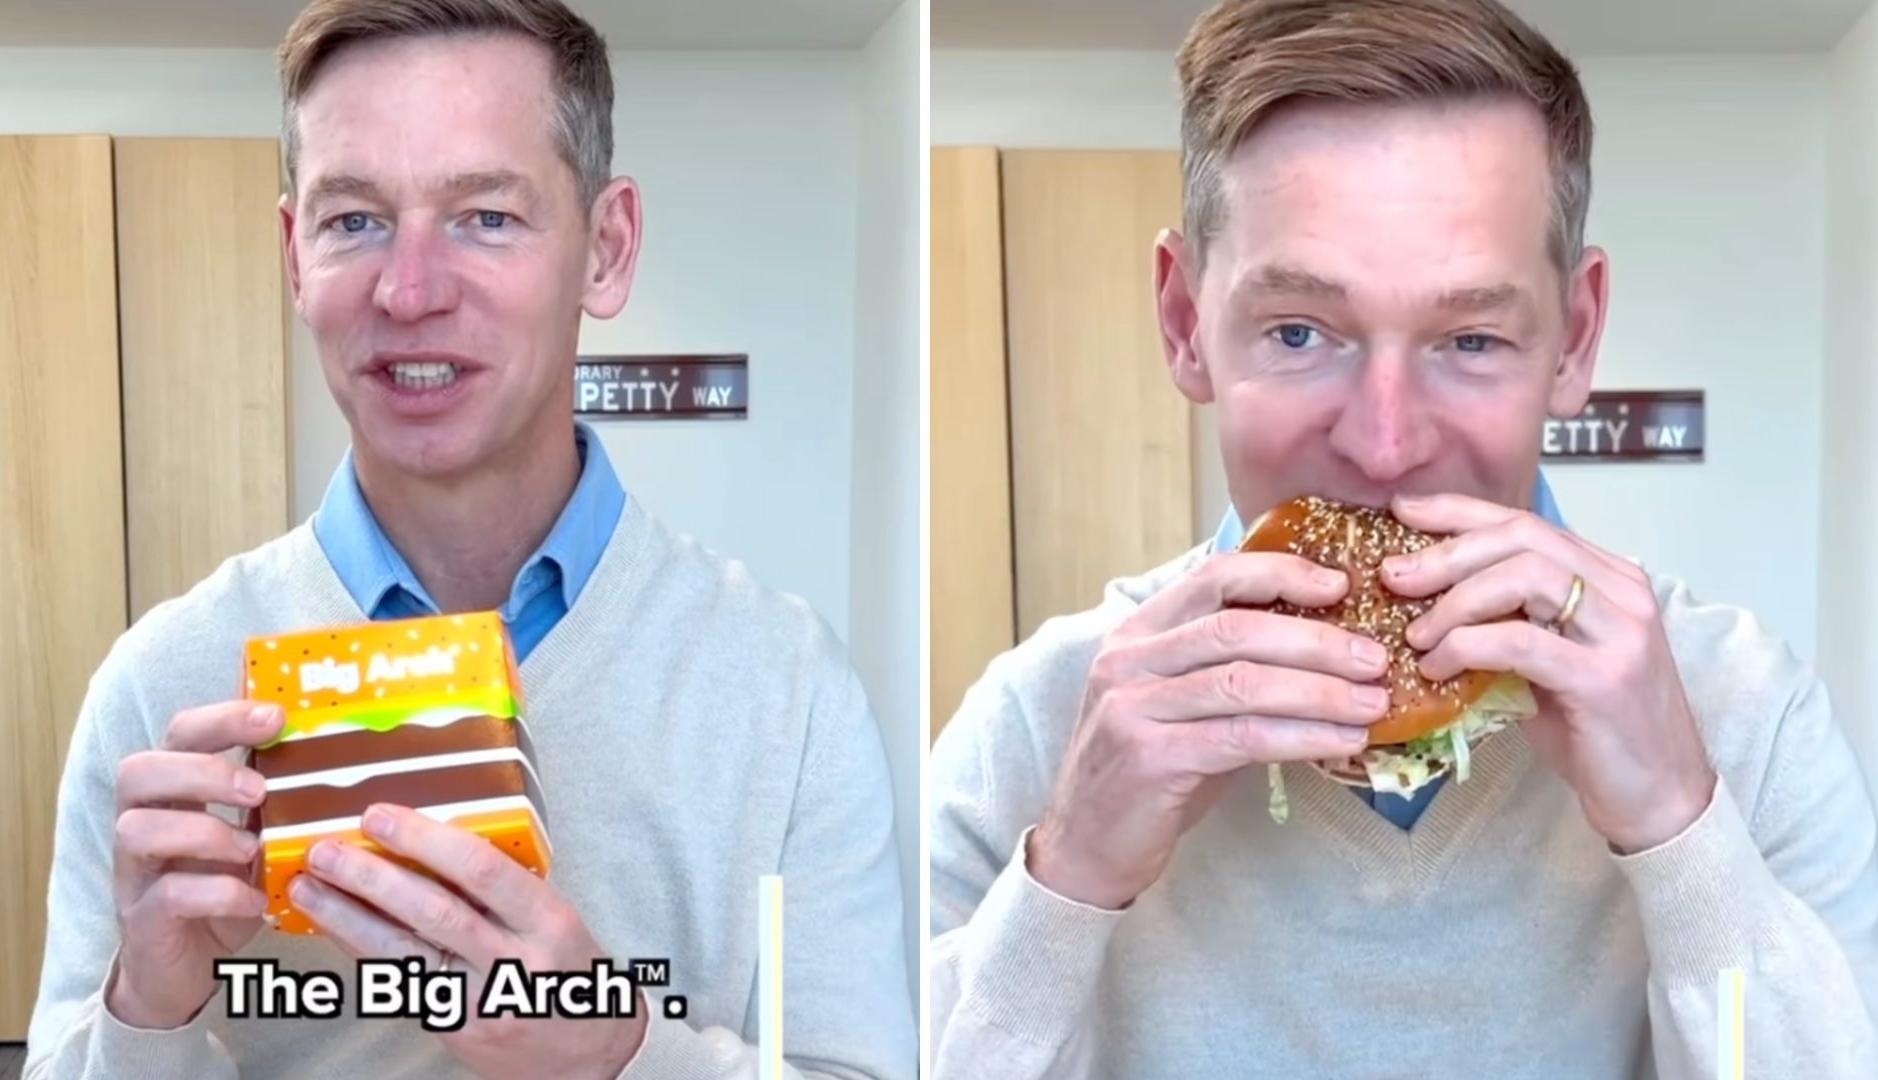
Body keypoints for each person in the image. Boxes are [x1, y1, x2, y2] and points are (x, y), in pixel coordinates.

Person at [927, 1, 1878, 1076]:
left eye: (1470, 338)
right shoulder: (1030, 725)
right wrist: (1068, 881)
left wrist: (1682, 835)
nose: (1384, 445)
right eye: (1299, 332)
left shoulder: (1751, 719)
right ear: (1186, 323)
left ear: (1574, 339)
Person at [25, 1, 913, 1077]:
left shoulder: (788, 690)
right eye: (353, 220)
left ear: (607, 249)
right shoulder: (160, 693)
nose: (409, 291)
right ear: (293, 256)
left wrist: (619, 1051)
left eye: (485, 216)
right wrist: (147, 1011)